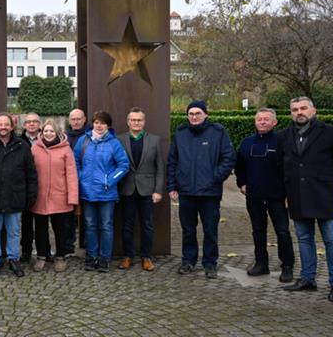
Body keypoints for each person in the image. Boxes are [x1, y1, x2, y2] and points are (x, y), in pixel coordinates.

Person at [278, 97, 333, 303]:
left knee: (331, 240)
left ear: (313, 110)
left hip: (323, 196)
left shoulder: (330, 133)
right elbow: (280, 165)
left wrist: (329, 180)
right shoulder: (284, 136)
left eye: (303, 108)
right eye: (294, 109)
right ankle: (308, 279)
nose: (299, 112)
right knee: (304, 239)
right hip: (297, 197)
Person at [168, 100, 236, 279]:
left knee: (210, 230)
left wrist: (215, 178)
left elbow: (228, 158)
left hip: (210, 193)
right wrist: (172, 185)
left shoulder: (218, 132)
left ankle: (210, 263)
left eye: (198, 113)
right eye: (191, 114)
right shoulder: (181, 133)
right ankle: (188, 261)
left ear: (206, 114)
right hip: (186, 191)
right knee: (188, 230)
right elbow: (172, 161)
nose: (194, 117)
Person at [234, 108, 294, 283]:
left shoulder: (283, 142)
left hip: (277, 196)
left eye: (266, 119)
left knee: (282, 231)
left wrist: (289, 193)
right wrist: (242, 183)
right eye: (259, 119)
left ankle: (287, 266)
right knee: (258, 231)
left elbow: (290, 169)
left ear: (274, 122)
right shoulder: (246, 142)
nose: (262, 122)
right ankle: (261, 263)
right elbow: (239, 166)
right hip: (254, 196)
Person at [0, 112, 37, 278]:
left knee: (14, 232)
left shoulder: (22, 146)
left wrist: (30, 196)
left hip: (15, 197)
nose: (3, 127)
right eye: (0, 124)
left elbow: (31, 174)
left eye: (6, 124)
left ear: (12, 126)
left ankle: (13, 259)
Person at [74, 111, 129, 273]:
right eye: (96, 122)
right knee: (90, 226)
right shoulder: (83, 140)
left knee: (106, 226)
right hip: (87, 192)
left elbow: (123, 165)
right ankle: (91, 257)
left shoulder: (114, 143)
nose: (99, 126)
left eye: (103, 123)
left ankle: (105, 258)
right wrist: (81, 177)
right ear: (92, 124)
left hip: (106, 193)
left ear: (108, 125)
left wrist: (109, 180)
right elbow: (74, 161)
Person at [118, 107, 165, 272]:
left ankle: (146, 257)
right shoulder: (119, 140)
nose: (136, 123)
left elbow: (160, 168)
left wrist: (158, 190)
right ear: (128, 122)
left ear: (144, 122)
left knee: (147, 225)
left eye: (139, 120)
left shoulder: (154, 140)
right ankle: (127, 256)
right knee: (127, 225)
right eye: (133, 120)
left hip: (148, 190)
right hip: (126, 188)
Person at [30, 120, 78, 273]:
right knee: (40, 229)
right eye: (46, 131)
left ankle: (60, 257)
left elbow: (71, 175)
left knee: (60, 229)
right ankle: (41, 256)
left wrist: (72, 198)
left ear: (57, 133)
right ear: (41, 132)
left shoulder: (66, 149)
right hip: (40, 196)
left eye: (51, 131)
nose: (48, 134)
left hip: (60, 196)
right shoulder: (35, 148)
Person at [64, 108, 88, 256]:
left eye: (79, 119)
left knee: (87, 215)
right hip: (67, 182)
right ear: (69, 121)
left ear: (84, 119)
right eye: (73, 119)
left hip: (86, 180)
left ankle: (87, 244)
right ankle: (68, 245)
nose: (76, 121)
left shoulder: (90, 136)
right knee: (68, 216)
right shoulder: (64, 137)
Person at [18, 112, 41, 262]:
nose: (31, 124)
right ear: (24, 125)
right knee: (26, 222)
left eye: (34, 121)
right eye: (28, 122)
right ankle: (26, 251)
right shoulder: (18, 141)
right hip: (24, 186)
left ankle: (43, 251)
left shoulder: (46, 138)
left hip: (43, 184)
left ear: (39, 124)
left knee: (41, 222)